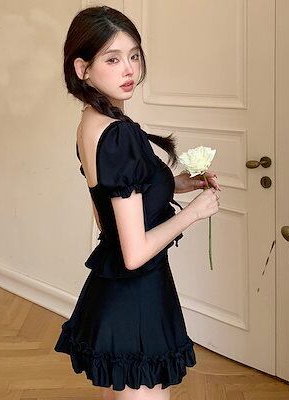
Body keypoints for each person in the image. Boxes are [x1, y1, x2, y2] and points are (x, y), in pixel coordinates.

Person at [54, 6, 221, 400]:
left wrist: (175, 184)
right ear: (82, 68)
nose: (129, 69)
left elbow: (108, 212)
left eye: (134, 55)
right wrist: (194, 213)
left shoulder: (91, 123)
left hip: (118, 293)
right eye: (112, 59)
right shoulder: (118, 134)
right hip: (137, 298)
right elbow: (134, 254)